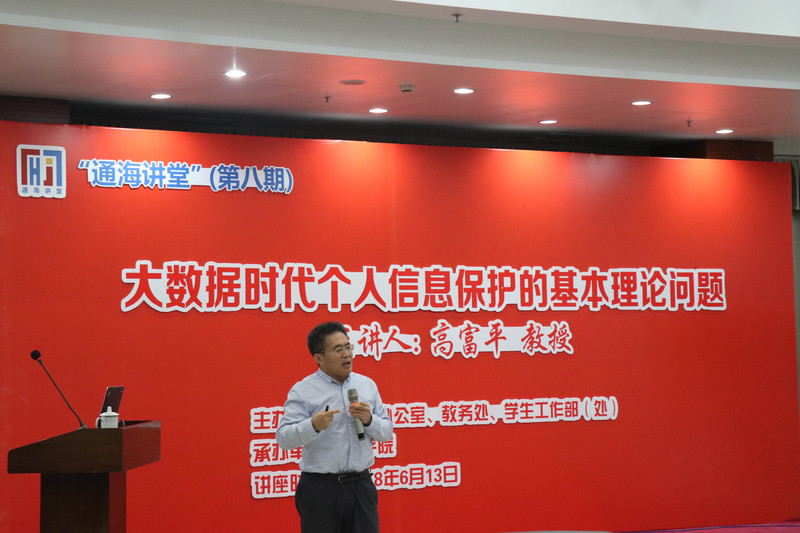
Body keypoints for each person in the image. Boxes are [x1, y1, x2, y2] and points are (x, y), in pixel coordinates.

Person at [276, 321, 393, 533]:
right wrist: (313, 425)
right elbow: (284, 438)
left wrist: (369, 420)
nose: (347, 354)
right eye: (338, 350)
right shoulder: (303, 390)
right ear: (319, 358)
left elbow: (386, 432)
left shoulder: (367, 385)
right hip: (321, 490)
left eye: (348, 347)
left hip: (361, 487)